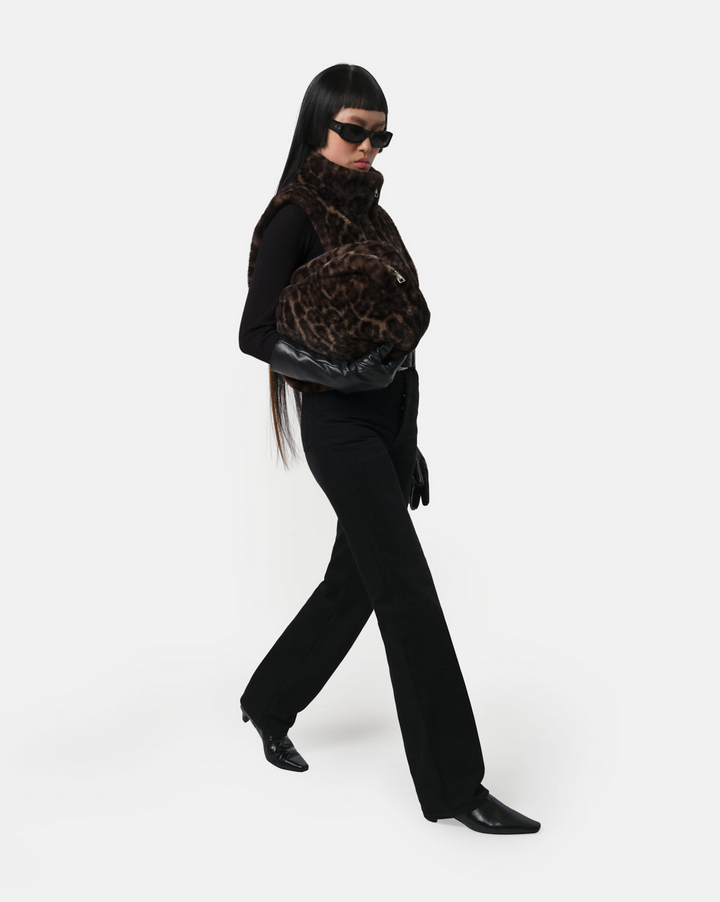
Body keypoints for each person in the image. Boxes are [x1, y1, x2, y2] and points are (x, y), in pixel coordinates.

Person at [238, 63, 540, 835]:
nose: (368, 146)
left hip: (390, 420)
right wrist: (339, 375)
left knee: (355, 584)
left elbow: (398, 328)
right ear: (317, 128)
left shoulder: (376, 217)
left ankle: (268, 701)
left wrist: (409, 439)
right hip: (339, 426)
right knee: (406, 588)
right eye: (354, 131)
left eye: (381, 135)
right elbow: (254, 333)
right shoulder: (293, 216)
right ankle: (457, 787)